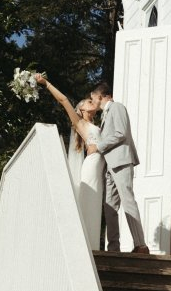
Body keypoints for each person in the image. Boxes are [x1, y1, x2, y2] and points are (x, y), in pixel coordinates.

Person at [35, 76, 104, 250]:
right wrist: (46, 83)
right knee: (89, 203)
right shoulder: (80, 123)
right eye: (88, 101)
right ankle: (84, 248)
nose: (92, 102)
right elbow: (63, 99)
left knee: (95, 208)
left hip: (101, 168)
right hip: (92, 166)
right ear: (81, 108)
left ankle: (93, 247)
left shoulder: (103, 123)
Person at [89, 80, 150, 255]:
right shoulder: (105, 115)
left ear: (100, 96)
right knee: (109, 207)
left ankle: (141, 245)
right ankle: (113, 248)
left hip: (122, 161)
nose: (92, 101)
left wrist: (98, 146)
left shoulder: (117, 107)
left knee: (128, 201)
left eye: (93, 98)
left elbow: (121, 133)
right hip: (110, 166)